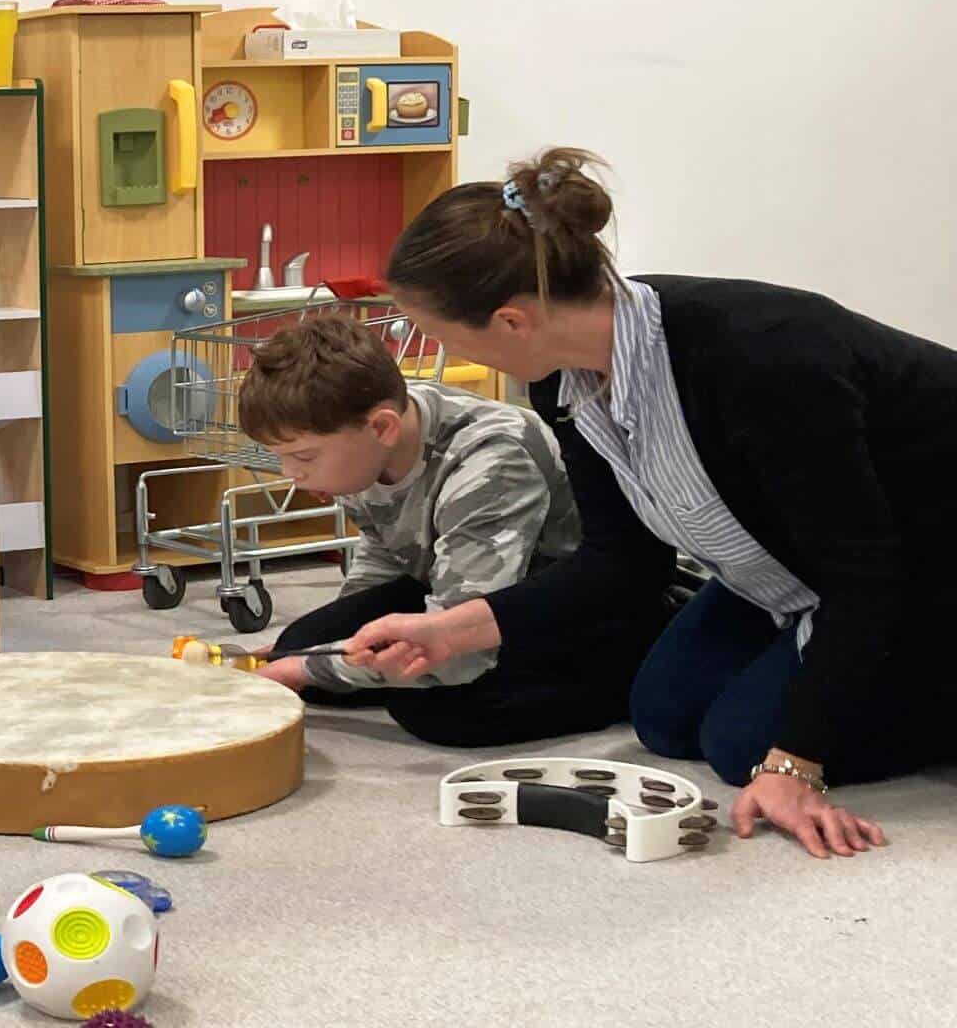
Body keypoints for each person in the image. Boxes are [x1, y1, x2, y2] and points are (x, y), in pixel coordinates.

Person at [341, 146, 957, 859]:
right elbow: (623, 561)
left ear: (511, 321)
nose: (437, 353)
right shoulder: (564, 377)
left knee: (741, 746)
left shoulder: (760, 355)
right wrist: (455, 629)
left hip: (919, 571)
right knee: (665, 717)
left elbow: (865, 575)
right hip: (792, 570)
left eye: (445, 335)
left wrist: (797, 764)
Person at [239, 315, 665, 745]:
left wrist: (315, 668)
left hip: (559, 607)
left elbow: (464, 643)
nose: (291, 474)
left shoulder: (491, 460)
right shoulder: (364, 437)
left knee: (431, 705)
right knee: (305, 646)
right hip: (466, 583)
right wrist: (337, 649)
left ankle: (619, 684)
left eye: (305, 458)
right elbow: (386, 551)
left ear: (382, 428)